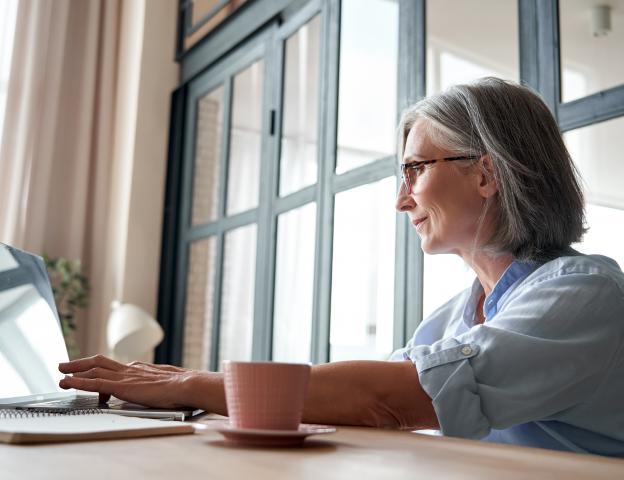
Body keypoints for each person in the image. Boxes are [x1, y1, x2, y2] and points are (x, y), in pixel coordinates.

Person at [59, 77, 624, 456]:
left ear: (486, 174)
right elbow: (364, 399)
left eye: (415, 170)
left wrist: (195, 385)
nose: (402, 200)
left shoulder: (585, 294)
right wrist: (185, 389)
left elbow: (391, 399)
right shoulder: (457, 316)